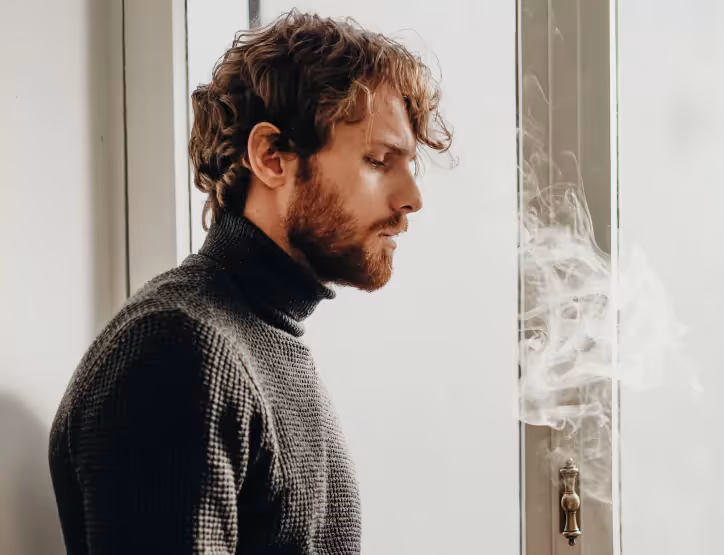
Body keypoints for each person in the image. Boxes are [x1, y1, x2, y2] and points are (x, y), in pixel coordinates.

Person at [48, 10, 452, 554]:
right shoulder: (177, 348)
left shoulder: (264, 340)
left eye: (409, 167)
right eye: (379, 160)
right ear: (271, 157)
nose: (412, 199)